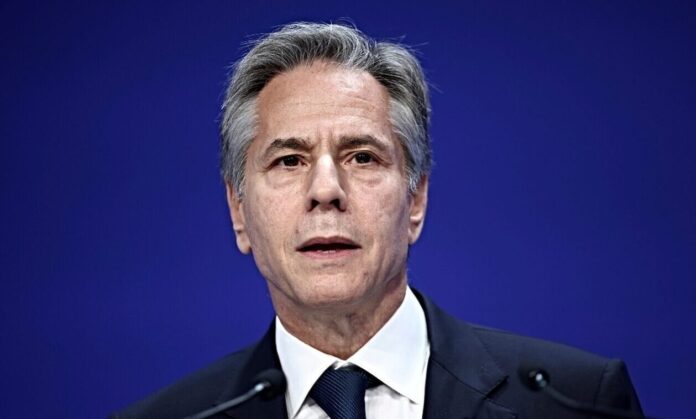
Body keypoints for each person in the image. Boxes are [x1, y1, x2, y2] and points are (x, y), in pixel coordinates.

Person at [111, 22, 643, 419]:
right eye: (289, 161)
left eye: (362, 157)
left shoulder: (574, 401)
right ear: (238, 212)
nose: (325, 191)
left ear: (416, 200)